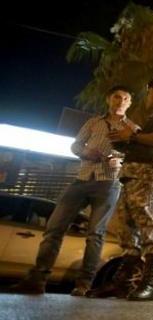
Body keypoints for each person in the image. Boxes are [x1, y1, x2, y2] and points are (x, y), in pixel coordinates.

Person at [10, 86, 136, 296]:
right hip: (82, 179)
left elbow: (135, 158)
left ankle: (84, 284)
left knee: (95, 234)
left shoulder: (132, 128)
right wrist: (85, 151)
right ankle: (37, 279)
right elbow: (75, 145)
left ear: (130, 104)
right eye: (116, 97)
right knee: (54, 227)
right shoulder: (94, 122)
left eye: (125, 98)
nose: (120, 101)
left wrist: (121, 161)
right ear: (109, 99)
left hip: (108, 183)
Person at [87, 78, 153, 301]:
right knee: (127, 231)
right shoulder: (151, 118)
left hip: (149, 176)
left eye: (148, 93)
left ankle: (149, 284)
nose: (146, 98)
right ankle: (121, 284)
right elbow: (143, 141)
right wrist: (124, 143)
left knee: (149, 226)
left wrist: (132, 137)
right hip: (132, 176)